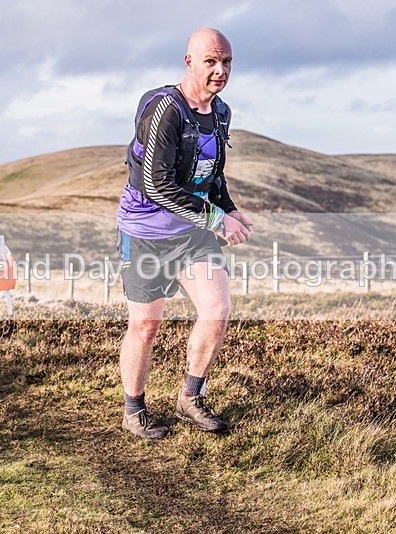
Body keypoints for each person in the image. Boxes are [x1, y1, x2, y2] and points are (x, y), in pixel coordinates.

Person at [115, 28, 254, 439]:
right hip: (146, 231)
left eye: (226, 61)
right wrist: (216, 219)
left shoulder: (222, 112)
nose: (220, 70)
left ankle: (190, 399)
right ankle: (134, 409)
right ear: (189, 61)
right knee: (145, 325)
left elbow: (213, 174)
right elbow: (157, 186)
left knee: (217, 309)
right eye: (211, 61)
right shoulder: (165, 109)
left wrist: (229, 209)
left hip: (193, 231)